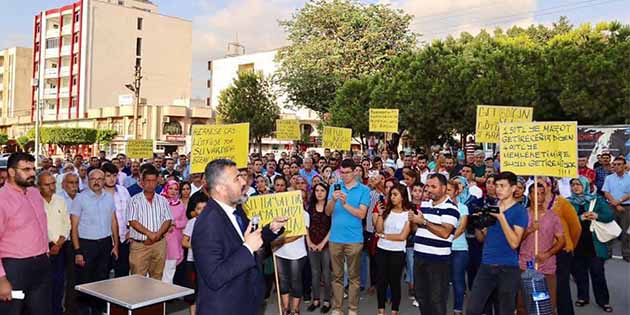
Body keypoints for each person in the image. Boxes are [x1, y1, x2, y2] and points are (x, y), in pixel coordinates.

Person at [192, 159, 287, 315]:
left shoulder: (237, 211)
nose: (244, 181)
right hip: (225, 308)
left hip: (246, 302)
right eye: (237, 178)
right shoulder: (207, 223)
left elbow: (251, 239)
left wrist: (271, 228)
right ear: (221, 188)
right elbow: (214, 276)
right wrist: (247, 248)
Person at [466, 171, 528, 315]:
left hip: (508, 268)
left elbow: (514, 243)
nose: (498, 189)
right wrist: (478, 224)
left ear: (513, 188)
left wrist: (501, 218)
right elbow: (483, 239)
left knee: (504, 310)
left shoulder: (520, 211)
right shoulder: (491, 207)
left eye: (502, 186)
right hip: (487, 264)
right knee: (473, 309)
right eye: (496, 186)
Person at [0, 153, 51, 315]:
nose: (32, 173)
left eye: (33, 169)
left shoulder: (35, 193)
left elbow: (41, 226)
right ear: (12, 172)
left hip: (41, 264)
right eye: (26, 169)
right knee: (12, 311)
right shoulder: (2, 199)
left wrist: (46, 253)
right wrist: (1, 279)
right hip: (14, 268)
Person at [70, 169, 119, 315]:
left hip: (105, 245)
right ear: (88, 181)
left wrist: (115, 244)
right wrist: (78, 251)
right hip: (86, 245)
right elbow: (74, 227)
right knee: (84, 282)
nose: (97, 181)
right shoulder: (80, 198)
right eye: (93, 179)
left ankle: (98, 311)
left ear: (104, 181)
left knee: (102, 280)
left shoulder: (109, 198)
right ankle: (83, 312)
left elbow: (113, 221)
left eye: (100, 179)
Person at [325, 159, 371, 315]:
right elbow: (327, 212)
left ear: (354, 172)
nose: (344, 176)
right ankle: (337, 308)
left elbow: (362, 214)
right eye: (341, 173)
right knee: (336, 276)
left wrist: (345, 204)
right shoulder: (333, 187)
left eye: (347, 173)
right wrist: (333, 199)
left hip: (354, 239)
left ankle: (352, 308)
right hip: (335, 238)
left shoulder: (364, 190)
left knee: (354, 277)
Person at [408, 174, 459, 315]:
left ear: (443, 188)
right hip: (419, 257)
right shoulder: (425, 205)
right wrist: (413, 220)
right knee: (421, 297)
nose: (429, 190)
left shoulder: (451, 209)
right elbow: (416, 230)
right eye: (428, 186)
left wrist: (423, 221)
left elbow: (445, 233)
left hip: (438, 261)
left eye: (433, 186)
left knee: (437, 300)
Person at [517, 183, 565, 315]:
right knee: (522, 305)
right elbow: (516, 241)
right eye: (535, 193)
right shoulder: (522, 214)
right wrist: (530, 230)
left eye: (542, 193)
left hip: (547, 266)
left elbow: (562, 241)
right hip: (525, 264)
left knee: (547, 306)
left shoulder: (553, 216)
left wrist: (548, 254)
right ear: (530, 195)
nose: (539, 196)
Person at [568, 177, 614, 313]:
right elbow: (563, 221)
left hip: (595, 244)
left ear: (586, 186)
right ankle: (583, 297)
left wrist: (597, 215)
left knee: (598, 273)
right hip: (577, 243)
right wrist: (579, 218)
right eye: (573, 185)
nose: (575, 187)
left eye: (578, 184)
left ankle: (603, 301)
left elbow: (609, 215)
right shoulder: (568, 202)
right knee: (580, 273)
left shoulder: (596, 199)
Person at [537, 176, 581, 315]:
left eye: (542, 184)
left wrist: (569, 245)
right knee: (544, 287)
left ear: (550, 185)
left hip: (561, 251)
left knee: (561, 288)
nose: (539, 187)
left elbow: (576, 228)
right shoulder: (535, 203)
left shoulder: (562, 202)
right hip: (543, 251)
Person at [127, 165, 173, 280]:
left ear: (157, 181)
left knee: (157, 277)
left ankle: (155, 298)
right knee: (137, 279)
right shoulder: (134, 200)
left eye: (153, 181)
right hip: (140, 246)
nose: (150, 184)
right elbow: (132, 221)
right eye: (147, 181)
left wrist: (157, 236)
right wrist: (149, 234)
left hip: (159, 244)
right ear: (142, 182)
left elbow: (167, 219)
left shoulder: (163, 200)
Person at [373, 184, 411, 315]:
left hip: (397, 252)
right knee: (381, 281)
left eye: (395, 195)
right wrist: (380, 215)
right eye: (391, 195)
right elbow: (378, 229)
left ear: (403, 196)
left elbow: (402, 237)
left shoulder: (408, 214)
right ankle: (381, 310)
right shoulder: (387, 211)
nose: (392, 197)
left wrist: (384, 236)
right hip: (382, 249)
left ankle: (395, 310)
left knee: (394, 282)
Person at [39, 172, 71, 315]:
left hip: (60, 248)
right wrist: (50, 244)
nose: (51, 187)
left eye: (53, 183)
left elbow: (67, 224)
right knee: (42, 285)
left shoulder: (60, 200)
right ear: (38, 186)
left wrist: (58, 244)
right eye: (47, 184)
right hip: (42, 250)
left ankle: (57, 311)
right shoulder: (34, 201)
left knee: (58, 283)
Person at [273, 201, 310, 315]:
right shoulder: (278, 215)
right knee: (283, 281)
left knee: (295, 281)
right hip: (280, 253)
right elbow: (274, 231)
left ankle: (295, 310)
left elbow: (300, 233)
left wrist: (279, 241)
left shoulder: (304, 214)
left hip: (297, 254)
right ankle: (285, 308)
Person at [101, 163, 132, 278]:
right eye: (108, 176)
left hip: (124, 237)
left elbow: (131, 212)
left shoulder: (123, 191)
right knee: (103, 272)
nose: (111, 179)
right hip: (105, 239)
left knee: (122, 271)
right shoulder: (99, 193)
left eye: (114, 176)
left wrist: (131, 230)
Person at [306, 183, 332, 313]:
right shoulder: (309, 207)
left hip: (326, 245)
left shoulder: (330, 207)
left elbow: (333, 227)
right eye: (317, 190)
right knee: (315, 273)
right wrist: (309, 242)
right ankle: (315, 300)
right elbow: (306, 227)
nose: (319, 193)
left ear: (327, 192)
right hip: (312, 244)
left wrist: (322, 243)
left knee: (326, 274)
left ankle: (327, 301)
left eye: (322, 190)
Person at [446, 179, 469, 315]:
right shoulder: (438, 206)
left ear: (456, 192)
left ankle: (458, 309)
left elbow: (461, 228)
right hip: (442, 248)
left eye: (449, 190)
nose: (446, 193)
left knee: (457, 279)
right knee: (441, 280)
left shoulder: (463, 207)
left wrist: (446, 237)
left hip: (459, 248)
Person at [602, 157, 630, 262]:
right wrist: (615, 203)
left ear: (624, 165)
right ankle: (608, 252)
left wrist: (619, 201)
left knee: (626, 232)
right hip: (611, 207)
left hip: (626, 208)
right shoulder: (609, 178)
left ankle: (626, 254)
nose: (616, 166)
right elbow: (606, 192)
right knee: (610, 230)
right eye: (615, 164)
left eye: (619, 164)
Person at [182, 199, 207, 315]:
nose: (201, 211)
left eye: (204, 208)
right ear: (194, 211)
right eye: (198, 208)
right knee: (194, 292)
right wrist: (197, 246)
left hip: (208, 262)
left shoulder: (214, 222)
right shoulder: (191, 222)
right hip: (193, 261)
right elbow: (184, 242)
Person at [161, 180, 188, 283]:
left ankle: (166, 297)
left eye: (176, 189)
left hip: (174, 243)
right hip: (159, 241)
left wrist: (174, 223)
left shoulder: (180, 204)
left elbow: (184, 221)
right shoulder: (159, 202)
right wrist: (166, 225)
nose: (173, 191)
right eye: (171, 188)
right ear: (166, 189)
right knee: (156, 271)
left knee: (169, 271)